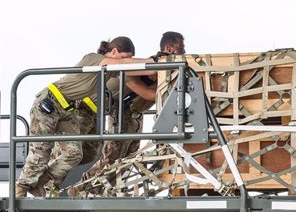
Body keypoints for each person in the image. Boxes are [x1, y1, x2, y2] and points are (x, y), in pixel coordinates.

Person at [15, 37, 154, 197]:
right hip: (50, 102)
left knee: (75, 153)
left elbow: (134, 70)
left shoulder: (111, 70)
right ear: (114, 51)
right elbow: (125, 66)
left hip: (68, 109)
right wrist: (151, 60)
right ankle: (21, 189)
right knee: (40, 151)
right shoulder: (93, 59)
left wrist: (156, 65)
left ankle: (42, 182)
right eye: (124, 57)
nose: (126, 61)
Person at [72, 32, 186, 196]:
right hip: (121, 115)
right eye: (181, 47)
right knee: (112, 158)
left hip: (134, 116)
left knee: (129, 158)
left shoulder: (160, 69)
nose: (185, 51)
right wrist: (177, 90)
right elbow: (147, 93)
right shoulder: (127, 71)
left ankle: (110, 191)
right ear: (169, 48)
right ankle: (82, 187)